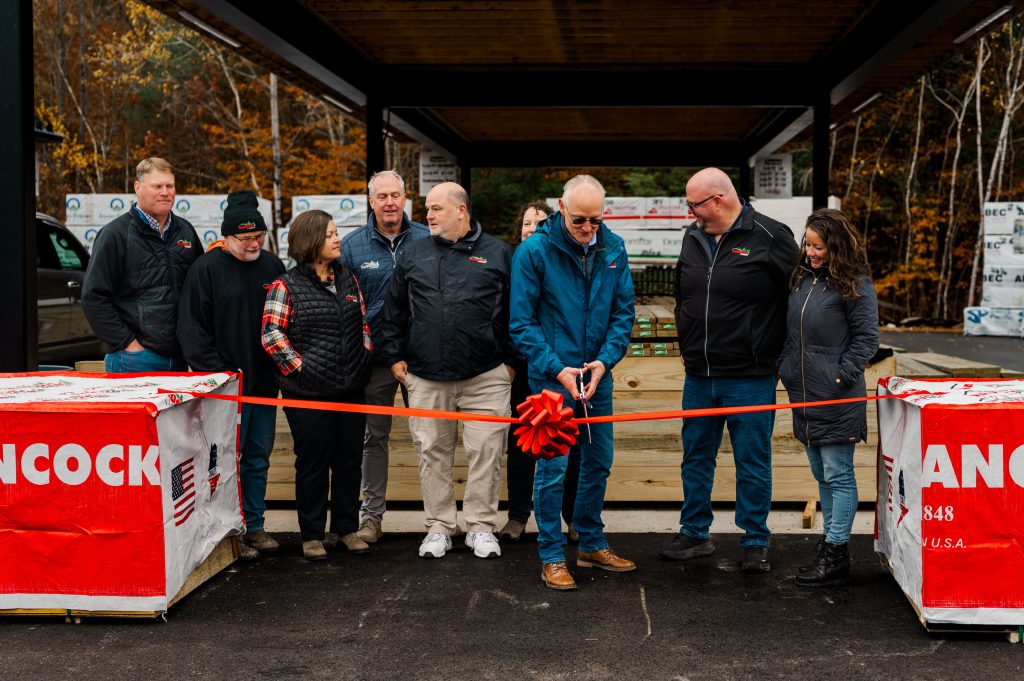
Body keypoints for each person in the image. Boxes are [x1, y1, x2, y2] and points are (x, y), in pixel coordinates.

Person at [662, 167, 798, 573]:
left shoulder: (772, 237)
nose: (692, 213)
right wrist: (685, 342)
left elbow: (799, 298)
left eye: (695, 205)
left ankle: (755, 541)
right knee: (696, 457)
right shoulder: (693, 237)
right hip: (700, 375)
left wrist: (781, 357)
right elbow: (682, 294)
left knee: (752, 461)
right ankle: (694, 533)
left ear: (718, 200)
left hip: (750, 376)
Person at [510, 175, 636, 591]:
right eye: (579, 219)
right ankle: (551, 554)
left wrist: (604, 361)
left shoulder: (613, 248)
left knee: (598, 460)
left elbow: (623, 313)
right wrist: (556, 367)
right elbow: (522, 323)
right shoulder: (534, 251)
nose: (587, 228)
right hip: (551, 380)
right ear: (561, 209)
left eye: (595, 220)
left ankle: (590, 541)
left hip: (597, 376)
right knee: (553, 468)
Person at [378, 182, 515, 560]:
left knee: (486, 452)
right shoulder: (413, 253)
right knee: (432, 453)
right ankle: (439, 525)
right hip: (425, 375)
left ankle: (481, 527)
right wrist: (393, 356)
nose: (429, 216)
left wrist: (511, 362)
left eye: (437, 209)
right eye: (428, 209)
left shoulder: (499, 252)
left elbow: (516, 313)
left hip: (486, 376)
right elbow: (393, 310)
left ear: (462, 211)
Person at [178, 190, 285, 560]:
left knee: (258, 457)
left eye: (259, 237)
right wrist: (218, 372)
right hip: (225, 387)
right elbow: (192, 330)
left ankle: (253, 526)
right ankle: (225, 530)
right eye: (245, 239)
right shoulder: (206, 270)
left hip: (264, 385)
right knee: (223, 461)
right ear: (227, 237)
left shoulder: (272, 267)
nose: (253, 244)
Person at [261, 210, 372, 561]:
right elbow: (271, 334)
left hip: (350, 389)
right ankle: (311, 535)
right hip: (307, 392)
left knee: (350, 461)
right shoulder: (285, 285)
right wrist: (301, 368)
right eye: (330, 234)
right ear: (311, 241)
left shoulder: (349, 280)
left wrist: (364, 355)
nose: (337, 239)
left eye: (336, 233)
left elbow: (364, 325)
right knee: (312, 464)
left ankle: (346, 530)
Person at [777, 208, 878, 586]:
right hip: (803, 395)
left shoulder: (855, 284)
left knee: (839, 474)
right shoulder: (804, 280)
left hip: (834, 396)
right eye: (807, 244)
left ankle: (837, 553)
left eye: (818, 246)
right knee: (822, 474)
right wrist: (786, 366)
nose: (810, 252)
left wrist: (839, 376)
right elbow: (794, 334)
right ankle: (830, 543)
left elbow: (867, 340)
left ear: (836, 246)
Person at [340, 170, 429, 545]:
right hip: (374, 361)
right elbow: (343, 305)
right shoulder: (351, 246)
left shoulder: (428, 239)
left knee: (429, 439)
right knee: (373, 439)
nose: (390, 202)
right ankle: (371, 518)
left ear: (406, 198)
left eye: (396, 195)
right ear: (371, 201)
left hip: (421, 359)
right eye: (383, 196)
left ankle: (438, 520)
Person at [499, 200, 582, 544]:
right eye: (527, 224)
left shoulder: (559, 260)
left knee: (567, 443)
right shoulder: (508, 262)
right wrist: (507, 359)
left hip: (557, 368)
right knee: (522, 445)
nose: (532, 229)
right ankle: (518, 515)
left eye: (540, 222)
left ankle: (573, 517)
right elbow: (503, 317)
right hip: (522, 368)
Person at [82, 157, 202, 372]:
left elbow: (199, 289)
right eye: (157, 186)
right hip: (134, 359)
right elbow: (93, 296)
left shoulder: (185, 231)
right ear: (138, 187)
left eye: (170, 186)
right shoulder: (115, 234)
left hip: (179, 356)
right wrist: (128, 344)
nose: (165, 192)